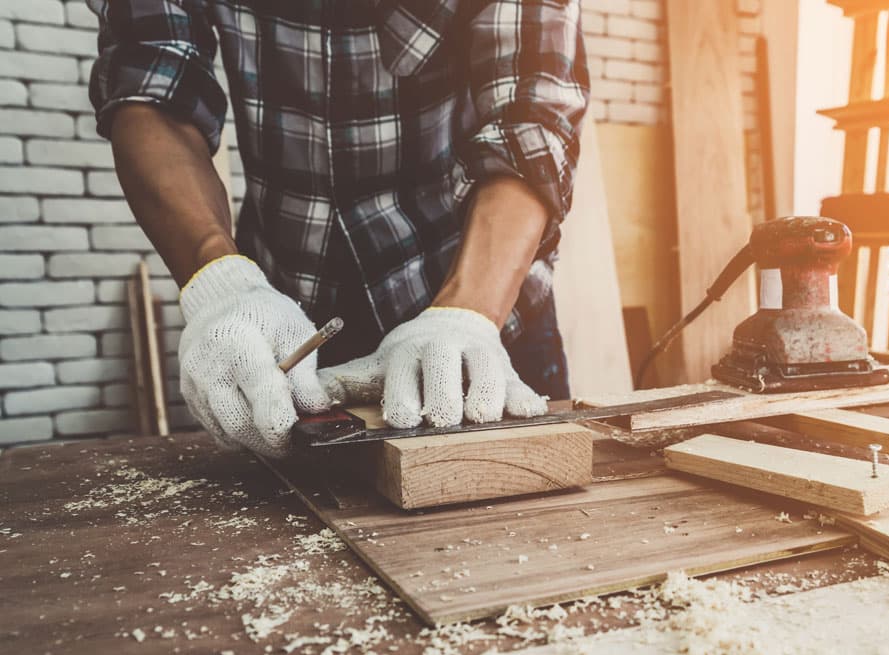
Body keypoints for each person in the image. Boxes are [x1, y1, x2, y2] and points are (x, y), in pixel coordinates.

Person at [87, 0, 589, 457]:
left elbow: (530, 119)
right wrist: (219, 282)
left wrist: (468, 313)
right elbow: (150, 78)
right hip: (286, 330)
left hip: (477, 325)